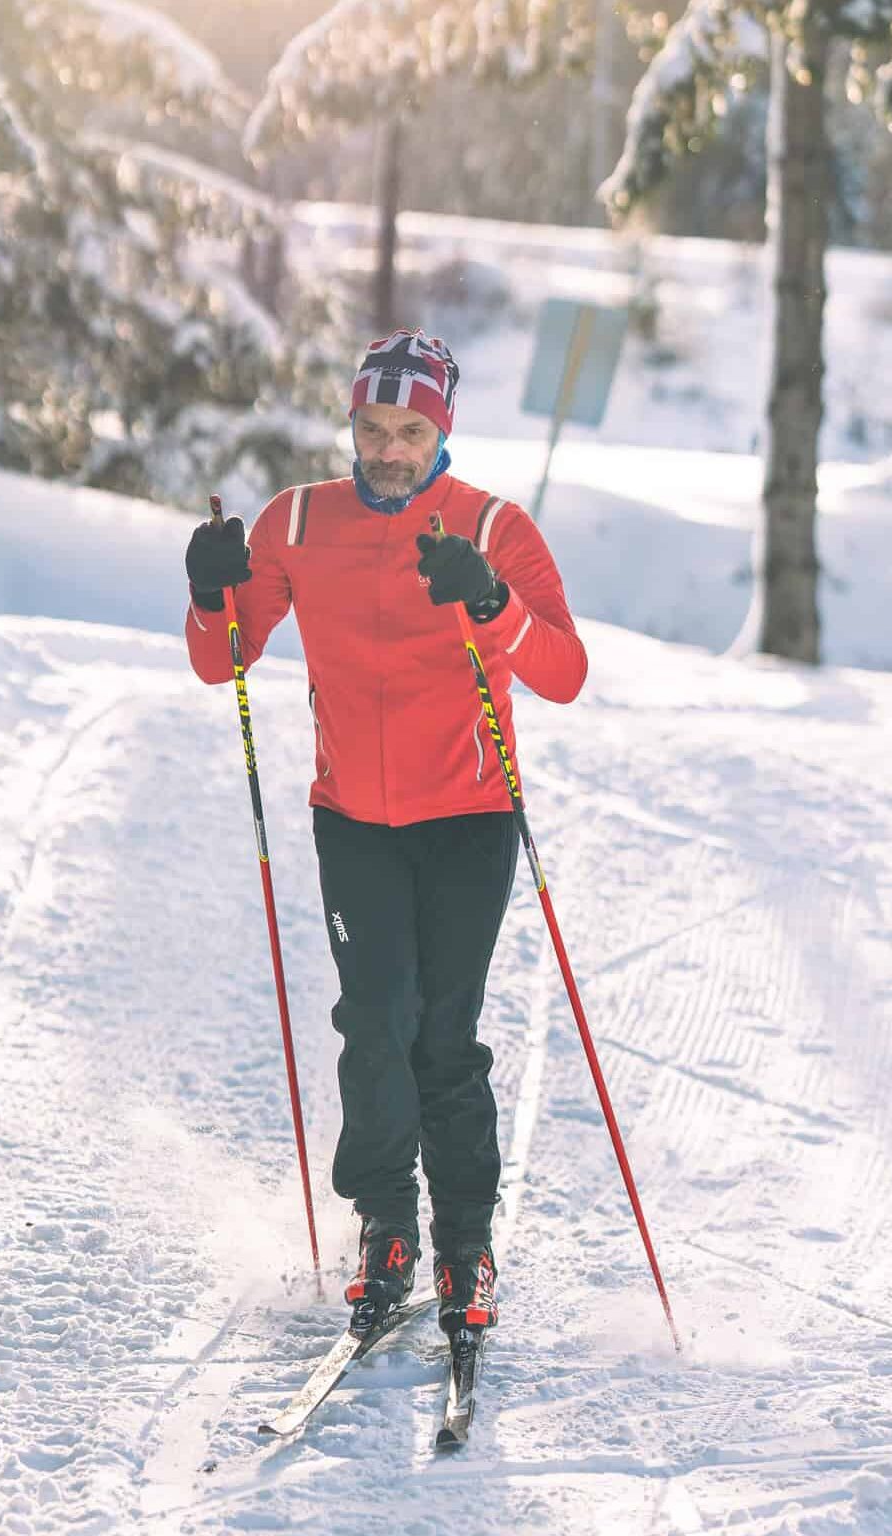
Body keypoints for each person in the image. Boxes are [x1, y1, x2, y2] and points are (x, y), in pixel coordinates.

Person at [183, 329, 587, 1336]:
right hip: (353, 818)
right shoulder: (298, 521)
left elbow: (566, 671)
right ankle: (386, 1227)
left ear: (442, 428)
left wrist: (490, 606)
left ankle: (466, 1247)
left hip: (470, 818)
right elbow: (224, 658)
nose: (391, 450)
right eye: (373, 427)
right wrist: (208, 593)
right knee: (375, 1022)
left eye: (412, 430)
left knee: (441, 1038)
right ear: (352, 423)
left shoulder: (493, 525)